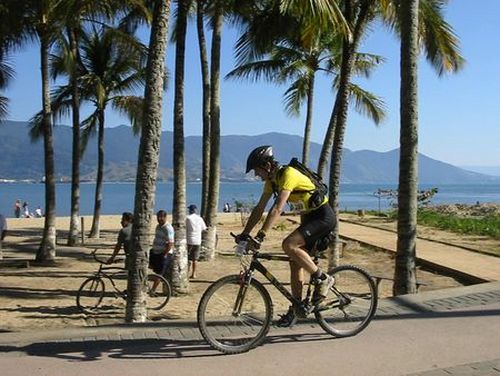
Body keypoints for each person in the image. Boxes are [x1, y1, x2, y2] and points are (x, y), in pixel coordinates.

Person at [236, 145, 335, 327]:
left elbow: (277, 208)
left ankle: (323, 278)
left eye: (257, 170)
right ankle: (297, 308)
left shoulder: (288, 174)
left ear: (266, 166)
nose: (256, 175)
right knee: (294, 261)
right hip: (308, 219)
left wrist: (261, 236)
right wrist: (245, 234)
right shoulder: (271, 182)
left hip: (323, 217)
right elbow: (259, 209)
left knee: (288, 245)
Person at [149, 210, 174, 279]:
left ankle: (153, 289)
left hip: (163, 253)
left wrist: (165, 254)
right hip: (156, 252)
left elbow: (170, 243)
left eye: (161, 217)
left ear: (165, 217)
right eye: (158, 217)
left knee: (160, 274)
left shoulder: (168, 228)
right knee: (157, 271)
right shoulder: (158, 226)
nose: (159, 219)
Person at [186, 204, 207, 279]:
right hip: (198, 241)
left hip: (189, 240)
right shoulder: (200, 218)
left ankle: (186, 272)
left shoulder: (187, 218)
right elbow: (204, 228)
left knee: (188, 258)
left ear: (190, 210)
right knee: (195, 259)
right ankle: (194, 273)